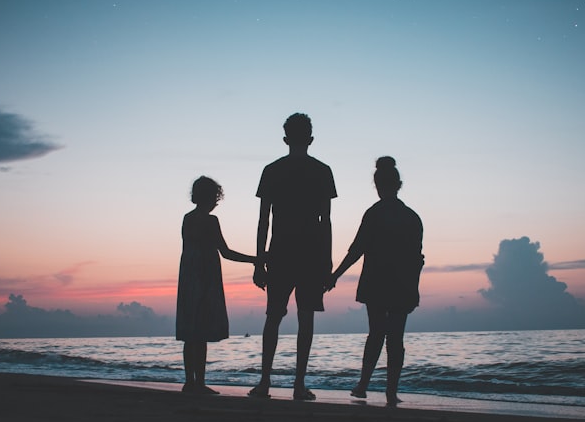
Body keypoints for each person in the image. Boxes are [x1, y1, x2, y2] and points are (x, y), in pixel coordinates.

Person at [249, 113, 337, 401]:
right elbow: (326, 221)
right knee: (305, 318)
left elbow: (264, 221)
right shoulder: (323, 171)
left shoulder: (272, 170)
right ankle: (299, 385)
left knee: (273, 317)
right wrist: (328, 262)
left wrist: (260, 261)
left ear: (286, 138)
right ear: (310, 139)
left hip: (280, 253)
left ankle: (264, 382)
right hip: (312, 254)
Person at [326, 156, 423, 406]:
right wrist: (415, 289)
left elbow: (356, 250)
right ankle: (391, 391)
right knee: (396, 339)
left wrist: (335, 275)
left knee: (376, 334)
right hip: (402, 284)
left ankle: (363, 384)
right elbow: (416, 260)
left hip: (377, 282)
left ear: (377, 185)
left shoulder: (374, 214)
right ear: (398, 184)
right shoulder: (412, 218)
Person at [176, 176, 257, 394]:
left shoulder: (187, 218)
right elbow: (226, 252)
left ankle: (190, 382)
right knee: (199, 333)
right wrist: (256, 259)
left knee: (190, 333)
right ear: (210, 197)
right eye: (215, 197)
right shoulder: (210, 221)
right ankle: (199, 383)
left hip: (188, 276)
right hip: (205, 277)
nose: (216, 202)